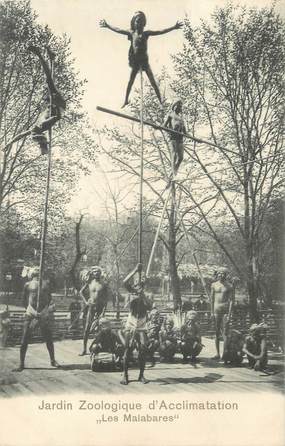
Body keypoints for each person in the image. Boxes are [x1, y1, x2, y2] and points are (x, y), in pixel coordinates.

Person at [99, 12, 182, 107]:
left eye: (141, 22)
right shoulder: (132, 33)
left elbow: (160, 31)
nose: (138, 23)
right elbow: (119, 30)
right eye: (137, 21)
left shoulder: (146, 34)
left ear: (143, 23)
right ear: (134, 23)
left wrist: (173, 27)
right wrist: (108, 25)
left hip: (144, 61)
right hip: (136, 61)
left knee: (152, 81)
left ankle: (160, 101)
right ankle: (126, 100)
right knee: (131, 80)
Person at [14, 267, 59, 371]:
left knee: (48, 338)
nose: (38, 273)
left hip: (43, 314)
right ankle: (21, 364)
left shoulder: (46, 284)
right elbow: (24, 301)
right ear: (32, 273)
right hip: (30, 313)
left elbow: (49, 298)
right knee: (24, 339)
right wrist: (32, 312)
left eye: (40, 271)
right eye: (36, 271)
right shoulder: (28, 285)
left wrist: (44, 311)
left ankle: (53, 360)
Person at [28, 46, 66, 154]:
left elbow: (23, 134)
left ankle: (49, 58)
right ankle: (47, 57)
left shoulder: (38, 126)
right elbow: (57, 116)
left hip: (56, 106)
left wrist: (39, 55)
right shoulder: (45, 122)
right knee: (49, 80)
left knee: (49, 80)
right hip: (57, 106)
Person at [121, 263, 152, 385]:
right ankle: (125, 374)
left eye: (142, 280)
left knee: (143, 348)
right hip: (131, 322)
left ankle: (141, 375)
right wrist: (134, 270)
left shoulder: (147, 294)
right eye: (138, 280)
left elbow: (149, 307)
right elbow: (124, 282)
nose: (140, 282)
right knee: (128, 348)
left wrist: (143, 296)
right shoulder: (132, 291)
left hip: (142, 323)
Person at [79, 266, 109, 356]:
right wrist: (86, 301)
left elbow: (106, 299)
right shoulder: (89, 282)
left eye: (97, 271)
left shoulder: (104, 284)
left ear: (100, 273)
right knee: (87, 328)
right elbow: (80, 292)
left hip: (100, 307)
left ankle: (101, 347)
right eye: (94, 272)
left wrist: (104, 311)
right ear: (92, 273)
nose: (96, 273)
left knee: (101, 328)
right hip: (91, 307)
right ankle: (84, 349)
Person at [210, 267, 234, 360]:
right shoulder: (213, 285)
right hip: (216, 311)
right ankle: (217, 353)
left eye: (223, 273)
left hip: (225, 311)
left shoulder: (229, 286)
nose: (221, 275)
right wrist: (211, 312)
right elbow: (211, 299)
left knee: (225, 333)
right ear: (217, 274)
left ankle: (225, 353)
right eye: (219, 273)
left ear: (226, 275)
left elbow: (232, 300)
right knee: (216, 333)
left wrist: (229, 313)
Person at [164, 100, 186, 175]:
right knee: (174, 155)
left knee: (181, 158)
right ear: (174, 107)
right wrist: (169, 132)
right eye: (177, 105)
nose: (179, 107)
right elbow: (164, 126)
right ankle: (174, 173)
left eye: (180, 106)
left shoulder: (182, 119)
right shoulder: (171, 115)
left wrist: (197, 140)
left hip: (180, 138)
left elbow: (185, 132)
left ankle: (173, 171)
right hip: (173, 137)